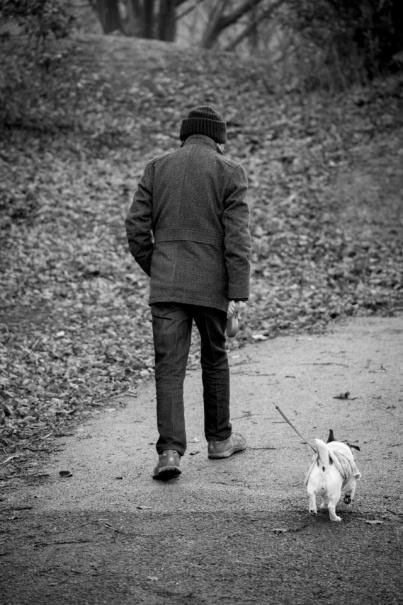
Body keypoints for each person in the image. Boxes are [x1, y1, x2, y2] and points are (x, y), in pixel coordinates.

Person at [125, 105, 251, 480]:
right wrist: (238, 291)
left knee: (169, 368)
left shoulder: (157, 167)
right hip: (212, 286)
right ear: (218, 139)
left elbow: (135, 227)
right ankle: (218, 441)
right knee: (214, 359)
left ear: (184, 135)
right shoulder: (229, 171)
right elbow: (237, 239)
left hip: (167, 287)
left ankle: (169, 453)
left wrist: (159, 266)